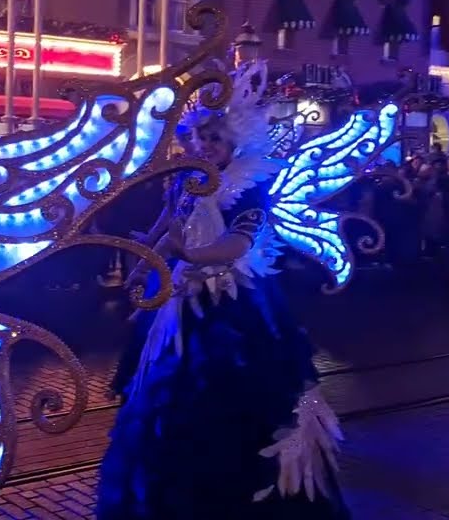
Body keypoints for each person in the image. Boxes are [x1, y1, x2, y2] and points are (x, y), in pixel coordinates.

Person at [97, 61, 350, 520]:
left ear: (234, 140)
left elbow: (239, 242)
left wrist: (192, 255)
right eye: (198, 137)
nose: (203, 145)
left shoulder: (250, 186)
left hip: (232, 304)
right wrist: (144, 264)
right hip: (176, 301)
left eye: (213, 138)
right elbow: (167, 226)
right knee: (162, 393)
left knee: (228, 398)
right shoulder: (186, 178)